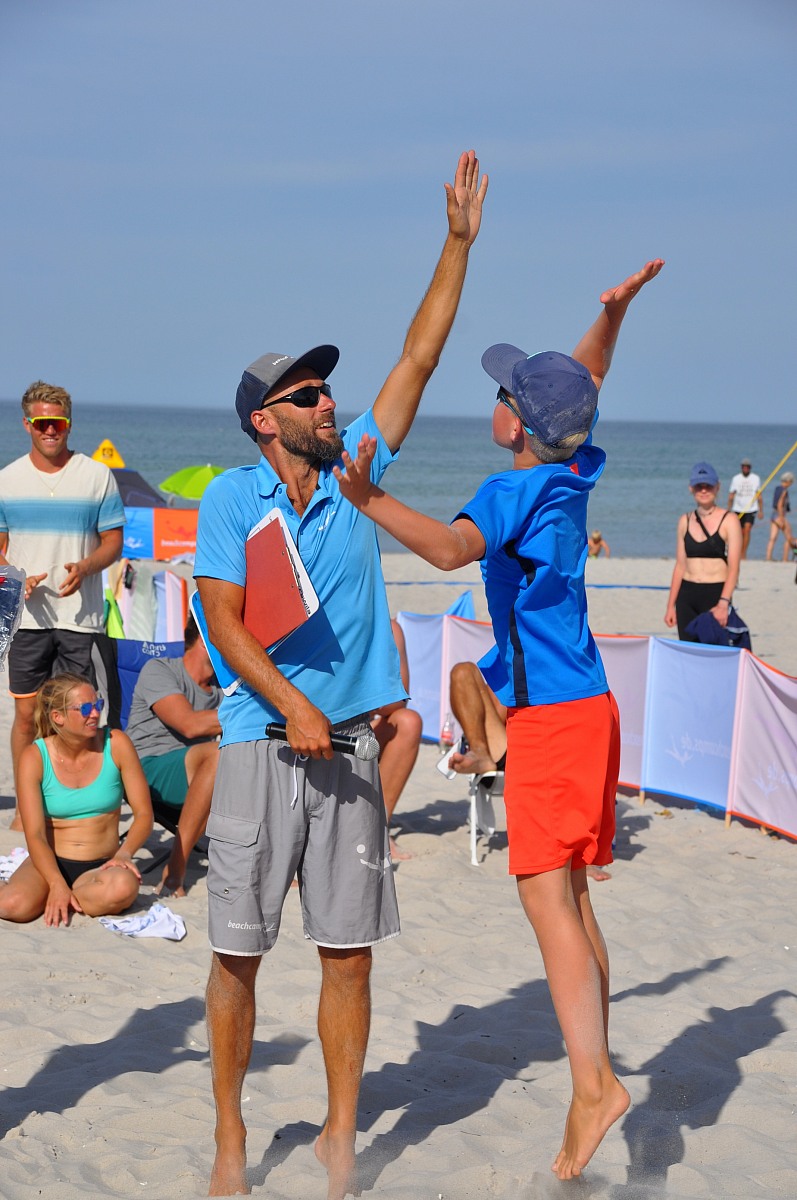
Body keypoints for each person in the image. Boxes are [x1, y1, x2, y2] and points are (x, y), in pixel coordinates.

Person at [193, 150, 487, 1198]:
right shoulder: (231, 500)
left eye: (326, 389)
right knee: (237, 955)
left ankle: (339, 1138)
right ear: (263, 418)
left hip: (352, 749)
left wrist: (454, 245)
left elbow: (419, 356)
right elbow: (223, 623)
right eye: (306, 393)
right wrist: (291, 703)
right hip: (257, 748)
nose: (329, 402)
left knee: (348, 956)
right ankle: (232, 1140)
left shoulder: (357, 466)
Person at [335, 258, 664, 1180]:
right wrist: (612, 317)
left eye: (503, 393)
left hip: (554, 717)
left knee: (543, 896)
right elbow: (584, 385)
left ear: (517, 425)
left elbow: (448, 552)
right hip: (589, 706)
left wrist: (366, 498)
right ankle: (594, 1073)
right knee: (575, 896)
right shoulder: (574, 469)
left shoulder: (511, 491)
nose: (495, 397)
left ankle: (593, 1086)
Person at [0, 381, 125, 830]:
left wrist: (87, 566)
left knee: (81, 714)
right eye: (41, 423)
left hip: (81, 619)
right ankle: (25, 805)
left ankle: (80, 802)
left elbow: (113, 541)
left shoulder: (97, 476)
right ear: (27, 425)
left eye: (57, 422)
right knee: (26, 716)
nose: (50, 430)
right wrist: (15, 576)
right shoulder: (7, 480)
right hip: (26, 619)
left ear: (69, 424)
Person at [0, 674, 152, 926]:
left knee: (123, 888)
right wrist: (55, 881)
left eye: (98, 705)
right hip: (50, 862)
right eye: (84, 708)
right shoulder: (35, 757)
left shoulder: (116, 744)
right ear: (58, 716)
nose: (95, 714)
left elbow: (144, 815)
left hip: (103, 865)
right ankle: (58, 893)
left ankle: (62, 897)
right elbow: (35, 834)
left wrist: (125, 854)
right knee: (11, 905)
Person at [447, 661, 612, 881]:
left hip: (528, 754)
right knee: (464, 671)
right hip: (512, 752)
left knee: (479, 675)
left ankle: (579, 861)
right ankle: (479, 752)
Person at [125, 614, 222, 896]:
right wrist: (249, 714)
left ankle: (271, 865)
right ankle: (176, 866)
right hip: (146, 768)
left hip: (197, 773)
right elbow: (189, 725)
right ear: (204, 639)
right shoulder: (160, 669)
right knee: (220, 755)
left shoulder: (221, 689)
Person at [664, 462, 743, 640]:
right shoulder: (685, 520)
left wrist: (724, 602)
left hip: (715, 594)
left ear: (718, 487)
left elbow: (734, 568)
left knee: (714, 648)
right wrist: (670, 606)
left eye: (709, 485)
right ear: (691, 488)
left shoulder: (729, 520)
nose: (704, 490)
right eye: (699, 486)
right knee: (687, 649)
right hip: (687, 596)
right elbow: (680, 566)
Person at [370, 619, 422, 862]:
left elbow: (399, 699)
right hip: (321, 723)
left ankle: (377, 827)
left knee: (408, 722)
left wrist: (366, 704)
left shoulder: (389, 627)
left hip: (364, 722)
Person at [728, 458, 763, 560]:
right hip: (738, 508)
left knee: (747, 529)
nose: (746, 468)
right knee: (738, 531)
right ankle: (737, 551)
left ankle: (743, 553)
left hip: (751, 509)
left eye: (747, 467)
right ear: (741, 467)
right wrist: (728, 510)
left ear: (750, 468)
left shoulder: (755, 478)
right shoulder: (736, 479)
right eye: (744, 467)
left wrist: (761, 511)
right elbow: (731, 495)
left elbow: (759, 495)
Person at [765, 471, 794, 562]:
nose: (791, 484)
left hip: (773, 514)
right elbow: (780, 504)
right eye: (791, 482)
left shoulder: (777, 488)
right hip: (779, 515)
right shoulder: (784, 491)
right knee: (789, 537)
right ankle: (785, 558)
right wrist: (781, 518)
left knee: (772, 537)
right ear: (788, 481)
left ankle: (768, 557)